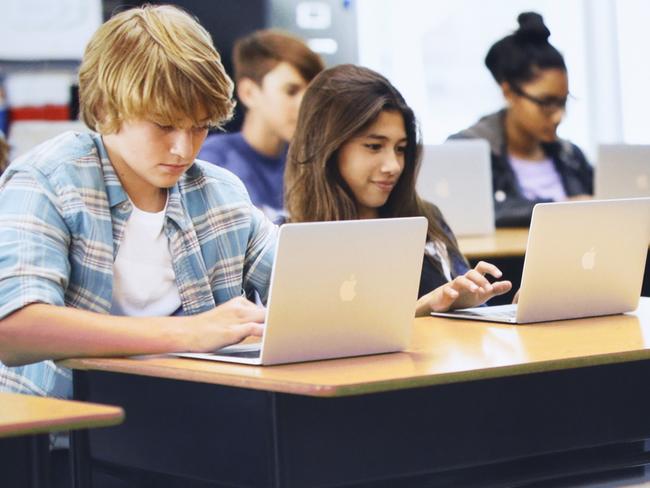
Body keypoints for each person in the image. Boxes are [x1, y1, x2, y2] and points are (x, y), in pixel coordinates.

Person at [0, 5, 276, 400]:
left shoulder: (220, 192)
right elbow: (13, 328)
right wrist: (189, 333)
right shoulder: (47, 181)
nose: (184, 148)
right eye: (163, 125)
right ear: (107, 109)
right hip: (59, 440)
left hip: (189, 427)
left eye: (199, 126)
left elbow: (305, 287)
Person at [284, 64, 512, 315]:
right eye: (373, 146)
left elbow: (473, 310)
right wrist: (423, 308)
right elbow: (322, 337)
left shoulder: (426, 218)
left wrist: (504, 307)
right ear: (326, 146)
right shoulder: (288, 237)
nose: (393, 165)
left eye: (401, 149)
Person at [449, 12, 593, 227]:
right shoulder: (467, 152)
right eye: (546, 102)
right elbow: (469, 215)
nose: (558, 115)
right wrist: (561, 207)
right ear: (509, 92)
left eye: (563, 102)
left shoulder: (571, 156)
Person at [198, 29, 324, 222]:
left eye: (311, 93)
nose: (305, 105)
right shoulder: (213, 160)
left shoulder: (313, 162)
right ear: (249, 92)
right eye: (291, 91)